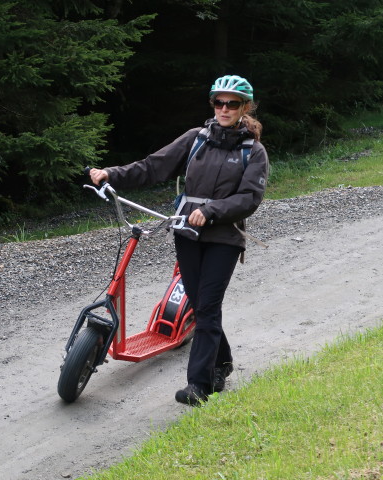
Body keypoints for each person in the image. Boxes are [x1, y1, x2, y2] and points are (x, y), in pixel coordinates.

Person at [89, 75, 269, 406]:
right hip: (187, 233)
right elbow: (153, 167)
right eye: (219, 102)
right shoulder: (195, 139)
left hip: (224, 238)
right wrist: (112, 173)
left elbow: (249, 198)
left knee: (208, 305)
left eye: (232, 103)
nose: (224, 109)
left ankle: (198, 386)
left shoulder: (253, 152)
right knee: (201, 307)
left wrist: (212, 210)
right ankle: (223, 362)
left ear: (245, 107)